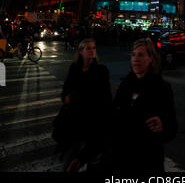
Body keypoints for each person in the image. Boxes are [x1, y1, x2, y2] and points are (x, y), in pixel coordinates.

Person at [109, 38, 177, 175]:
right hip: (123, 157)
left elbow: (172, 126)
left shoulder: (161, 88)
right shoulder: (126, 85)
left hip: (148, 159)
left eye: (141, 55)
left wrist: (163, 125)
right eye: (133, 55)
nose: (135, 59)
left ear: (151, 58)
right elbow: (114, 117)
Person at [58, 38, 112, 172]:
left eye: (93, 48)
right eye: (88, 48)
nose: (92, 50)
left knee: (94, 160)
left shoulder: (101, 70)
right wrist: (66, 98)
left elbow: (106, 98)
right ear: (80, 51)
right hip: (74, 122)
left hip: (93, 122)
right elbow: (65, 89)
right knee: (68, 160)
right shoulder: (74, 68)